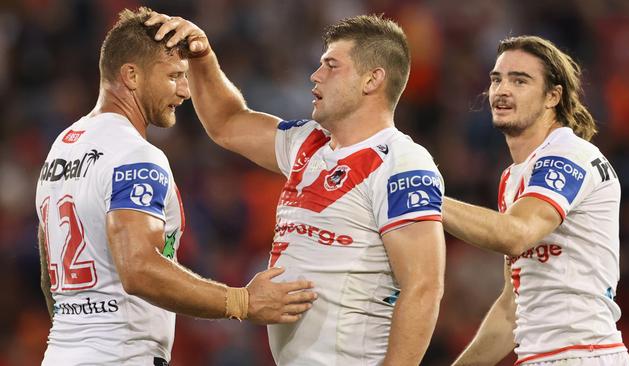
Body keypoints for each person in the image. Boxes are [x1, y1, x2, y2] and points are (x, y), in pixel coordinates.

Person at [146, 11, 446, 366]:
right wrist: (202, 58)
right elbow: (226, 123)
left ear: (372, 80)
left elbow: (424, 287)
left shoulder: (401, 162)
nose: (315, 75)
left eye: (331, 66)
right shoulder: (307, 142)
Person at [35, 7, 317, 366]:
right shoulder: (136, 155)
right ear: (132, 76)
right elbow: (139, 267)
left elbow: (49, 274)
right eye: (174, 76)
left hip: (61, 353)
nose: (185, 90)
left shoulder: (63, 146)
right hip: (121, 356)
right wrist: (243, 302)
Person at [443, 36, 629, 365]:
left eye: (520, 80)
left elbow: (515, 234)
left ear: (553, 96)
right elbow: (511, 310)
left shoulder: (568, 155)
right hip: (545, 357)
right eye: (496, 79)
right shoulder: (514, 177)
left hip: (582, 355)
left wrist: (421, 198)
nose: (502, 90)